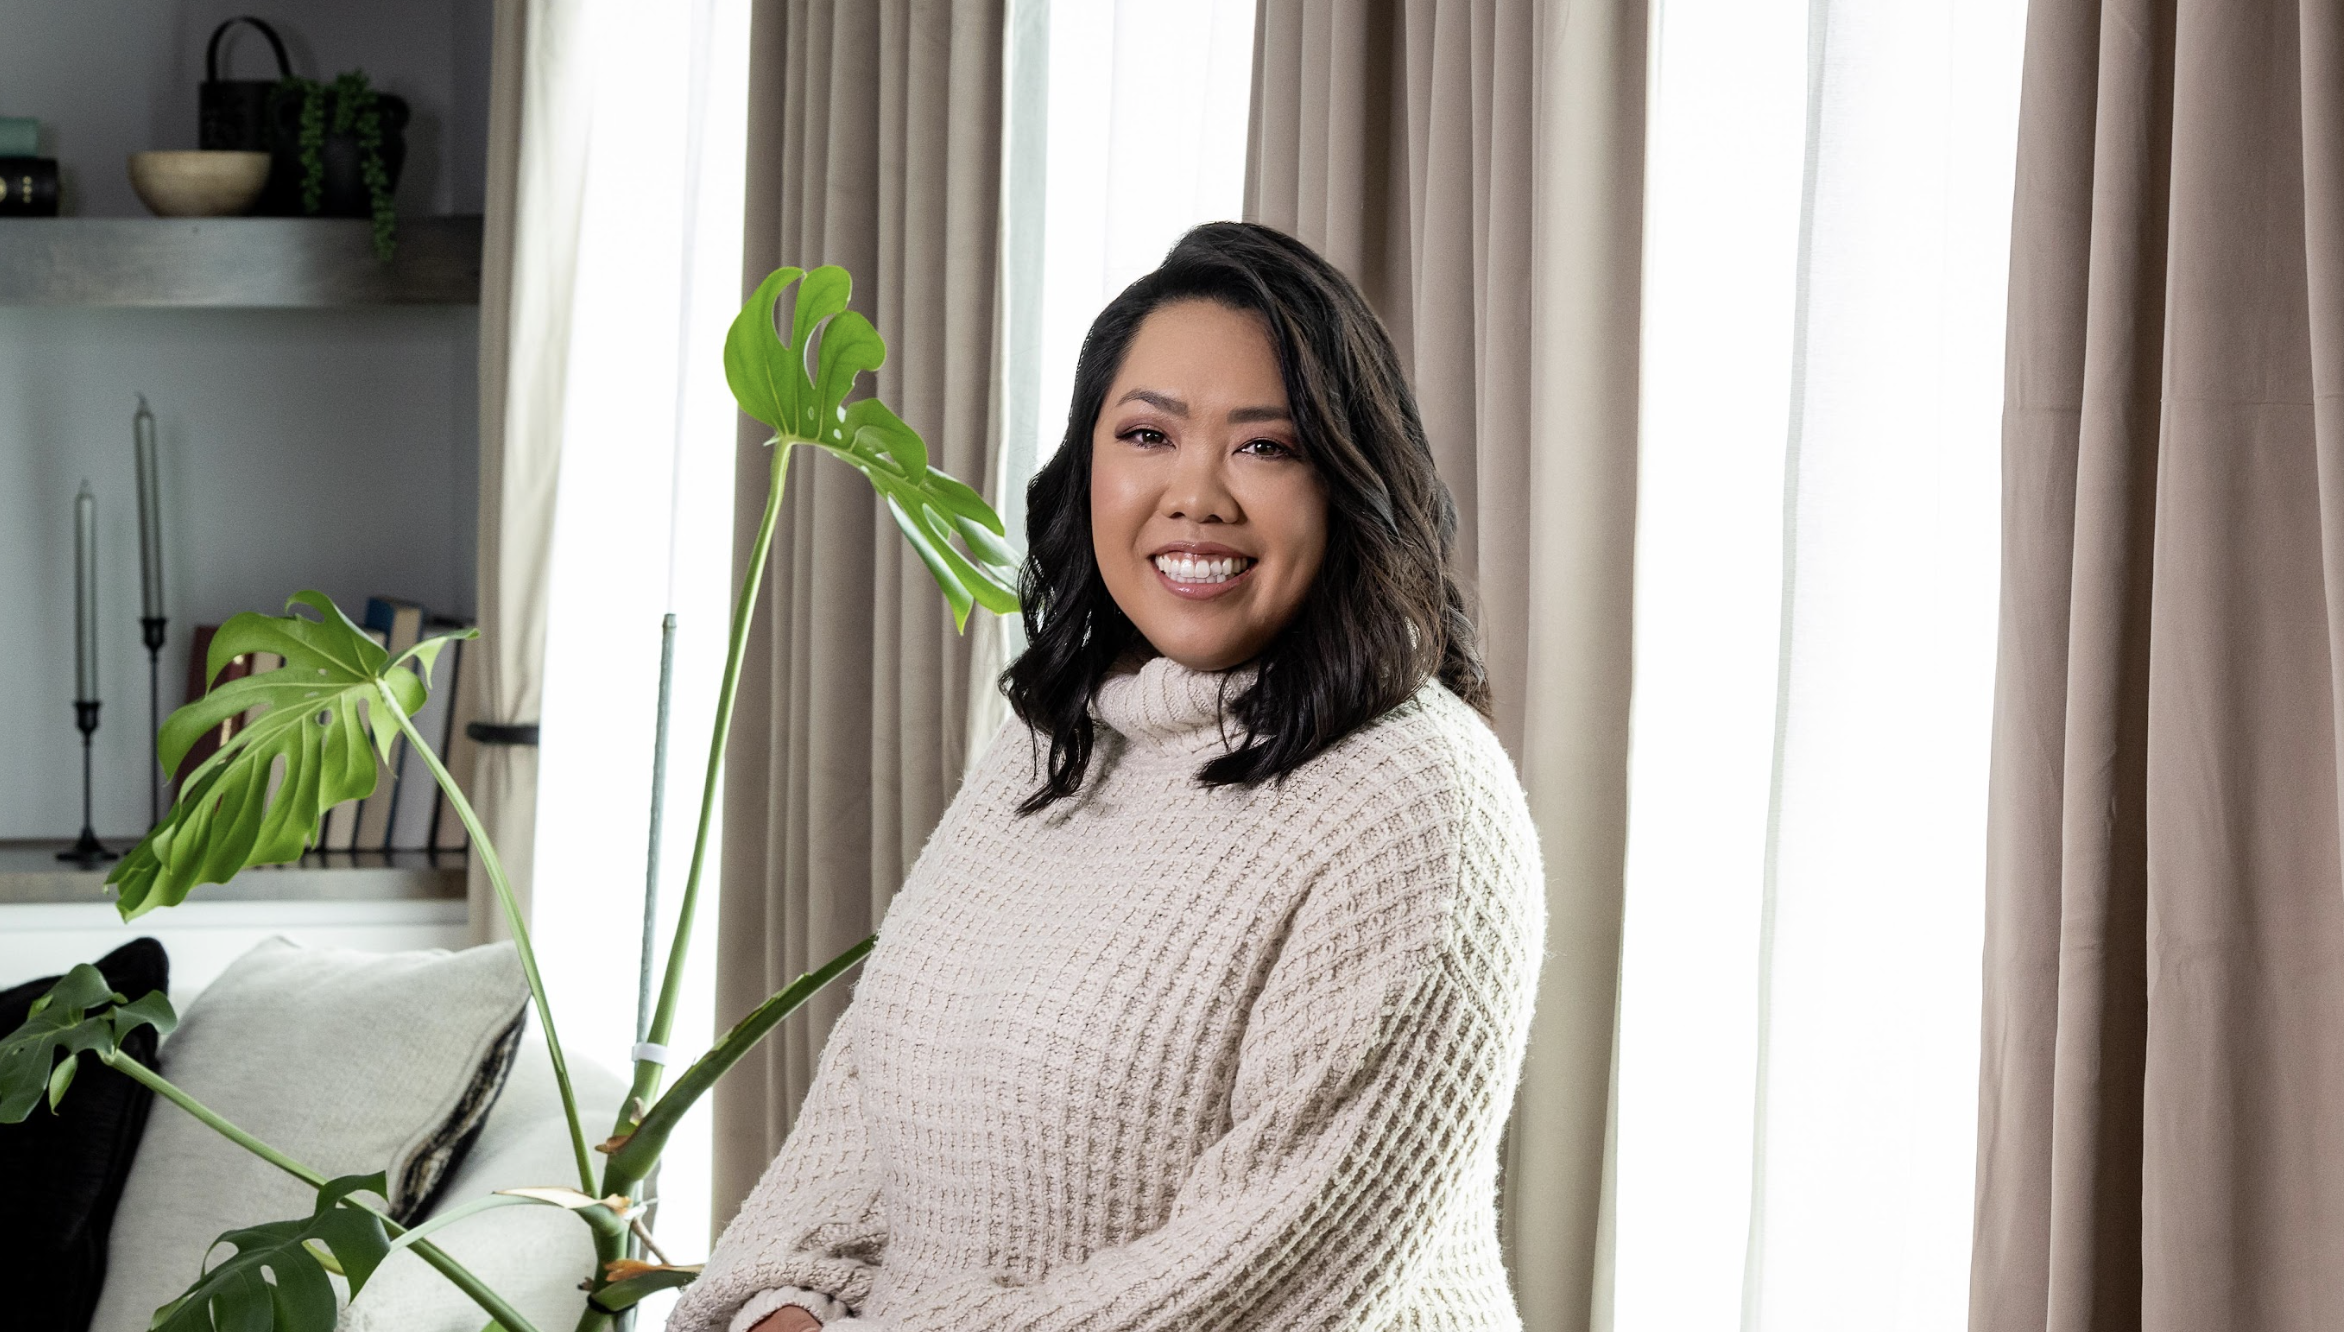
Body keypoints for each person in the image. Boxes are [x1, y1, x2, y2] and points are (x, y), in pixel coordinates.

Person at [671, 221, 1545, 1332]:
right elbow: (862, 1104)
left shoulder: (1417, 803)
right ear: (1090, 464)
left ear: (1346, 483)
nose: (1197, 495)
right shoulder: (1056, 740)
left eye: (1264, 448)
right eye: (1146, 435)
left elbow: (1255, 1285)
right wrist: (772, 1305)